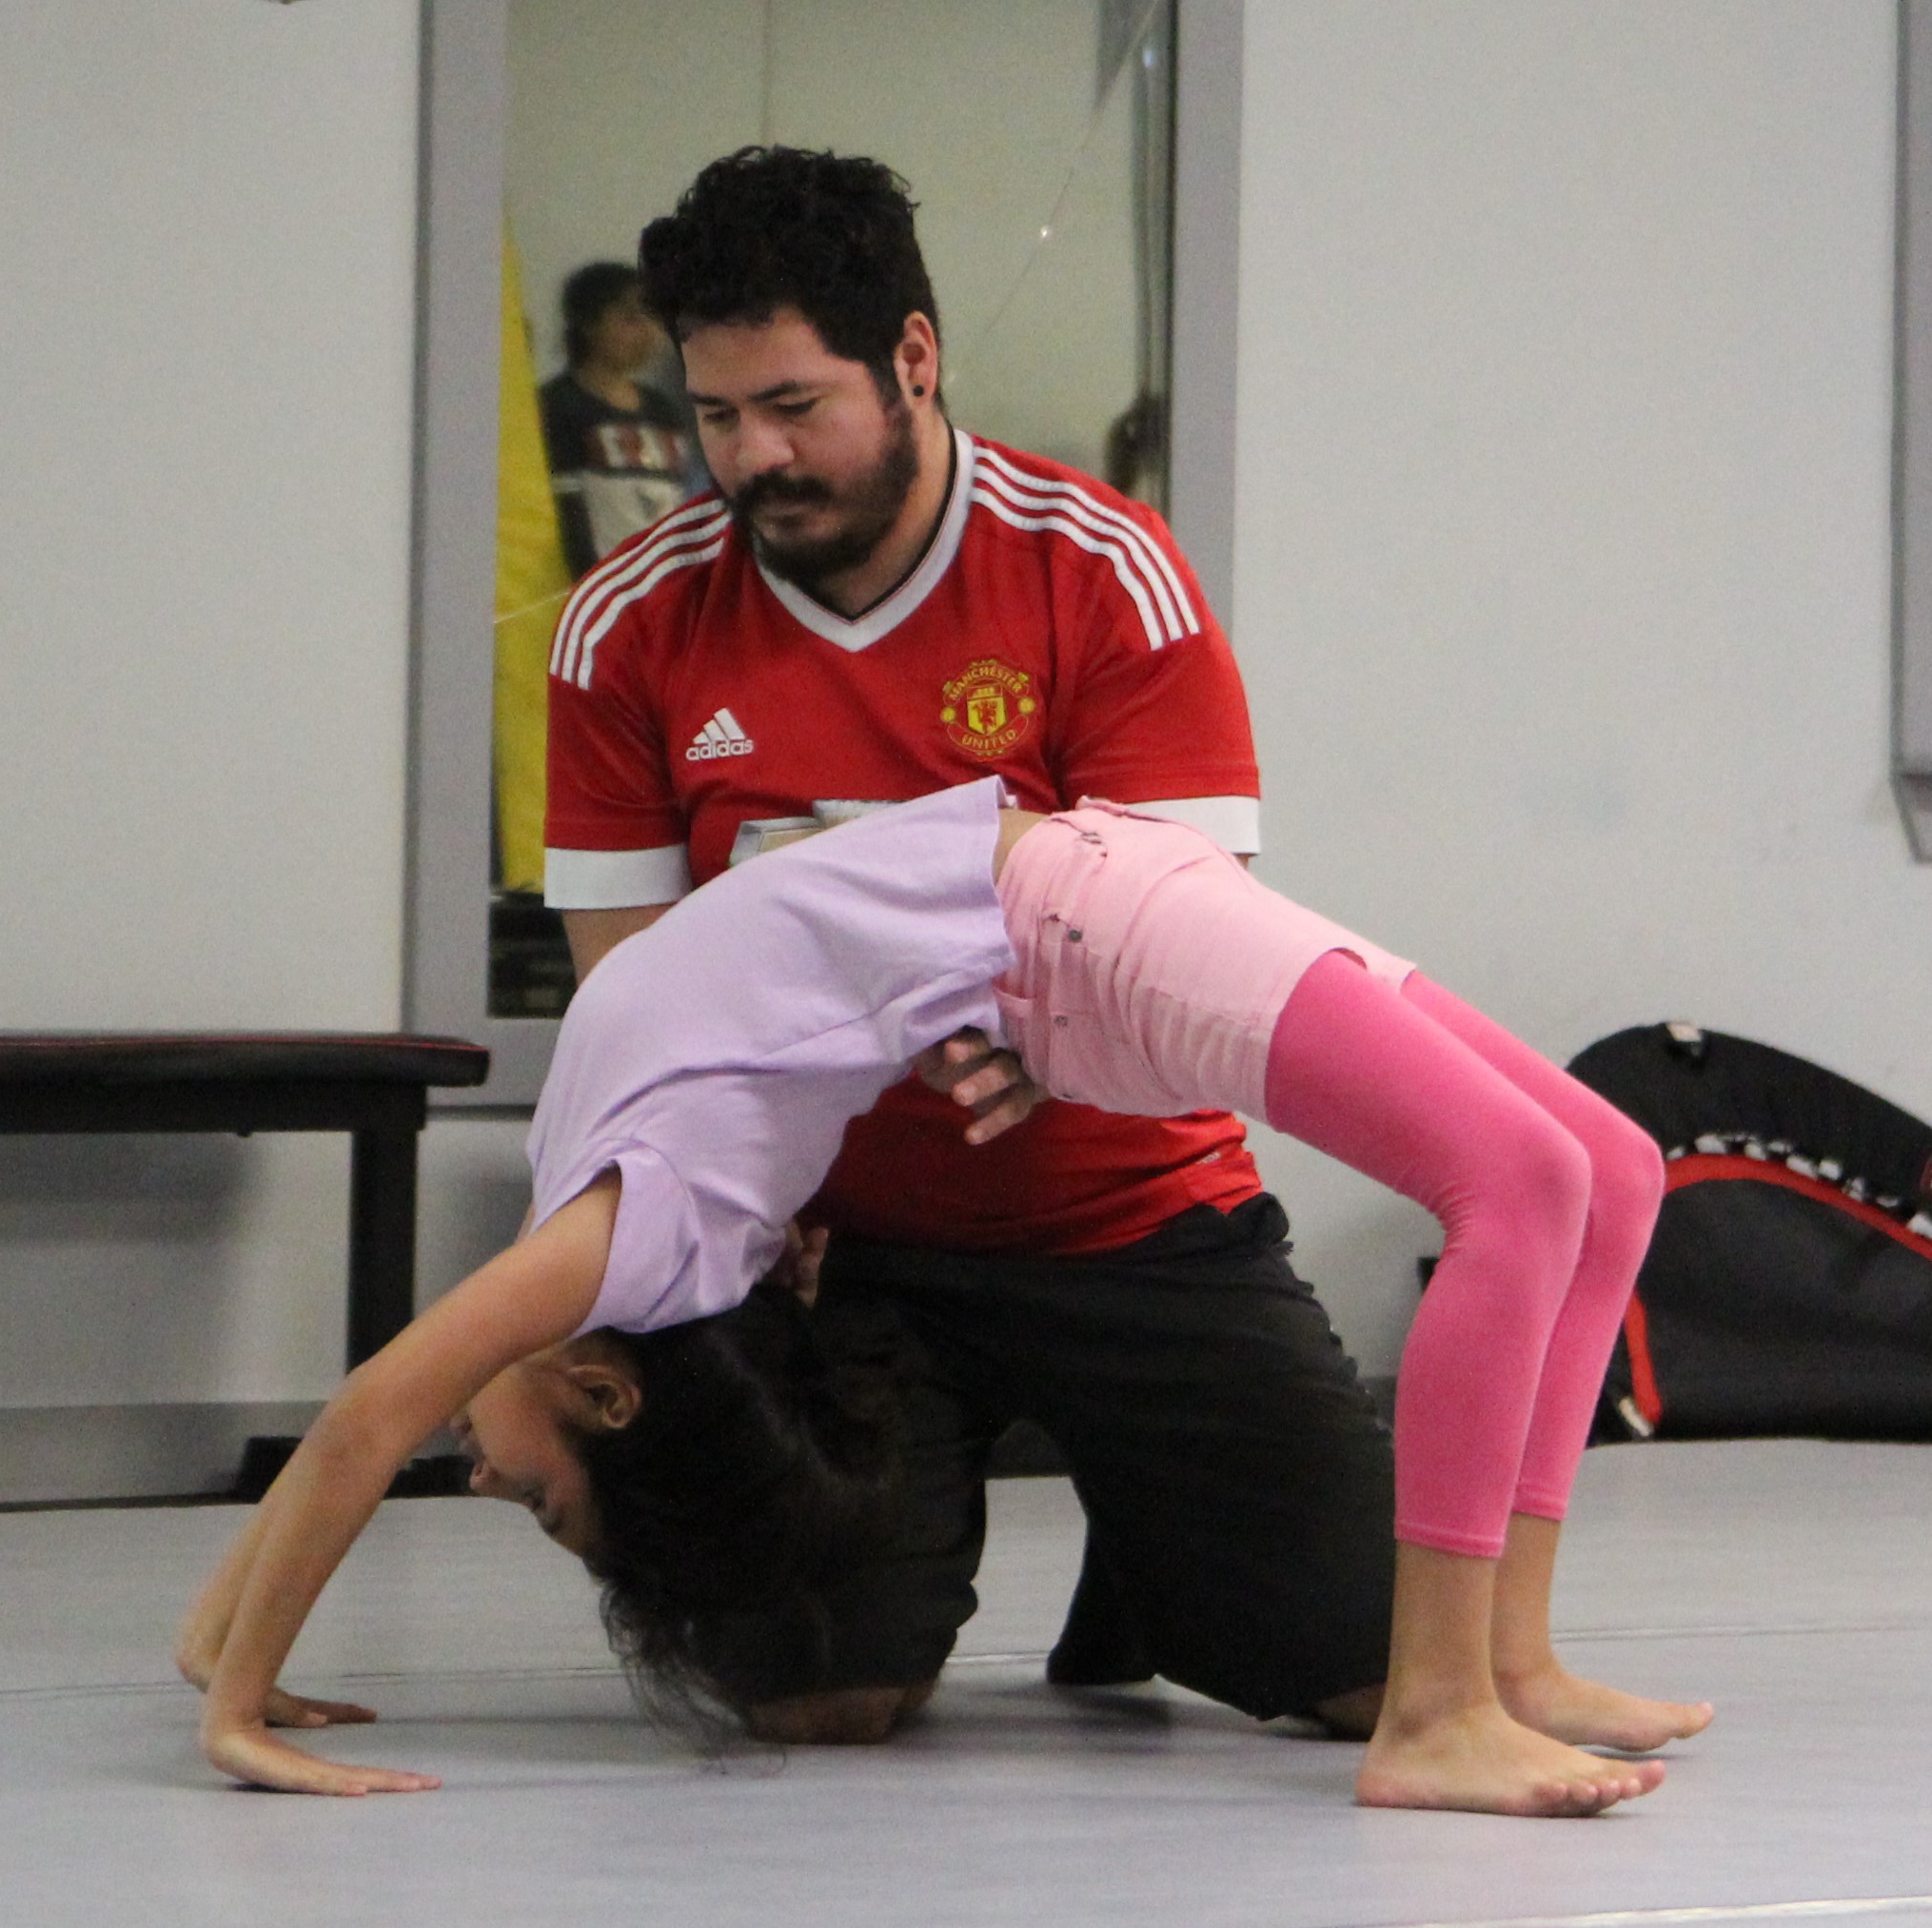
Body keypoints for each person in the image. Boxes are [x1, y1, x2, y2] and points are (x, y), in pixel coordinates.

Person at [175, 782, 1712, 1813]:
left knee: (1610, 1167)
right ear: (605, 1390)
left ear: (603, 1388)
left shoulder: (605, 1244)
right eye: (534, 1497)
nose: (483, 1470)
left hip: (1081, 906)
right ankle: (1439, 1712)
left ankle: (1492, 1670)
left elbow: (365, 1413)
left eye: (532, 1497)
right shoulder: (647, 1249)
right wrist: (236, 1653)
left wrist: (225, 1670)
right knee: (1526, 1179)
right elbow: (374, 1421)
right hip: (1080, 926)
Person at [542, 143, 1398, 1746]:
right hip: (841, 1255)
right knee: (810, 1698)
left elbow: (1191, 952)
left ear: (914, 360)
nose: (751, 457)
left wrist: (1040, 1035)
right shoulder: (627, 625)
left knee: (1367, 1676)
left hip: (1126, 1214)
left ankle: (1156, 1538)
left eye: (794, 406)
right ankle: (1119, 1530)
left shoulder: (1099, 572)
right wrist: (746, 1197)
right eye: (715, 415)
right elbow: (633, 1010)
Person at [540, 261, 704, 579]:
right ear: (588, 322)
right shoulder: (558, 406)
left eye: (654, 318)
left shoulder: (663, 410)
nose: (648, 332)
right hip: (599, 583)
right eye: (630, 318)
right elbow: (564, 511)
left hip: (663, 581)